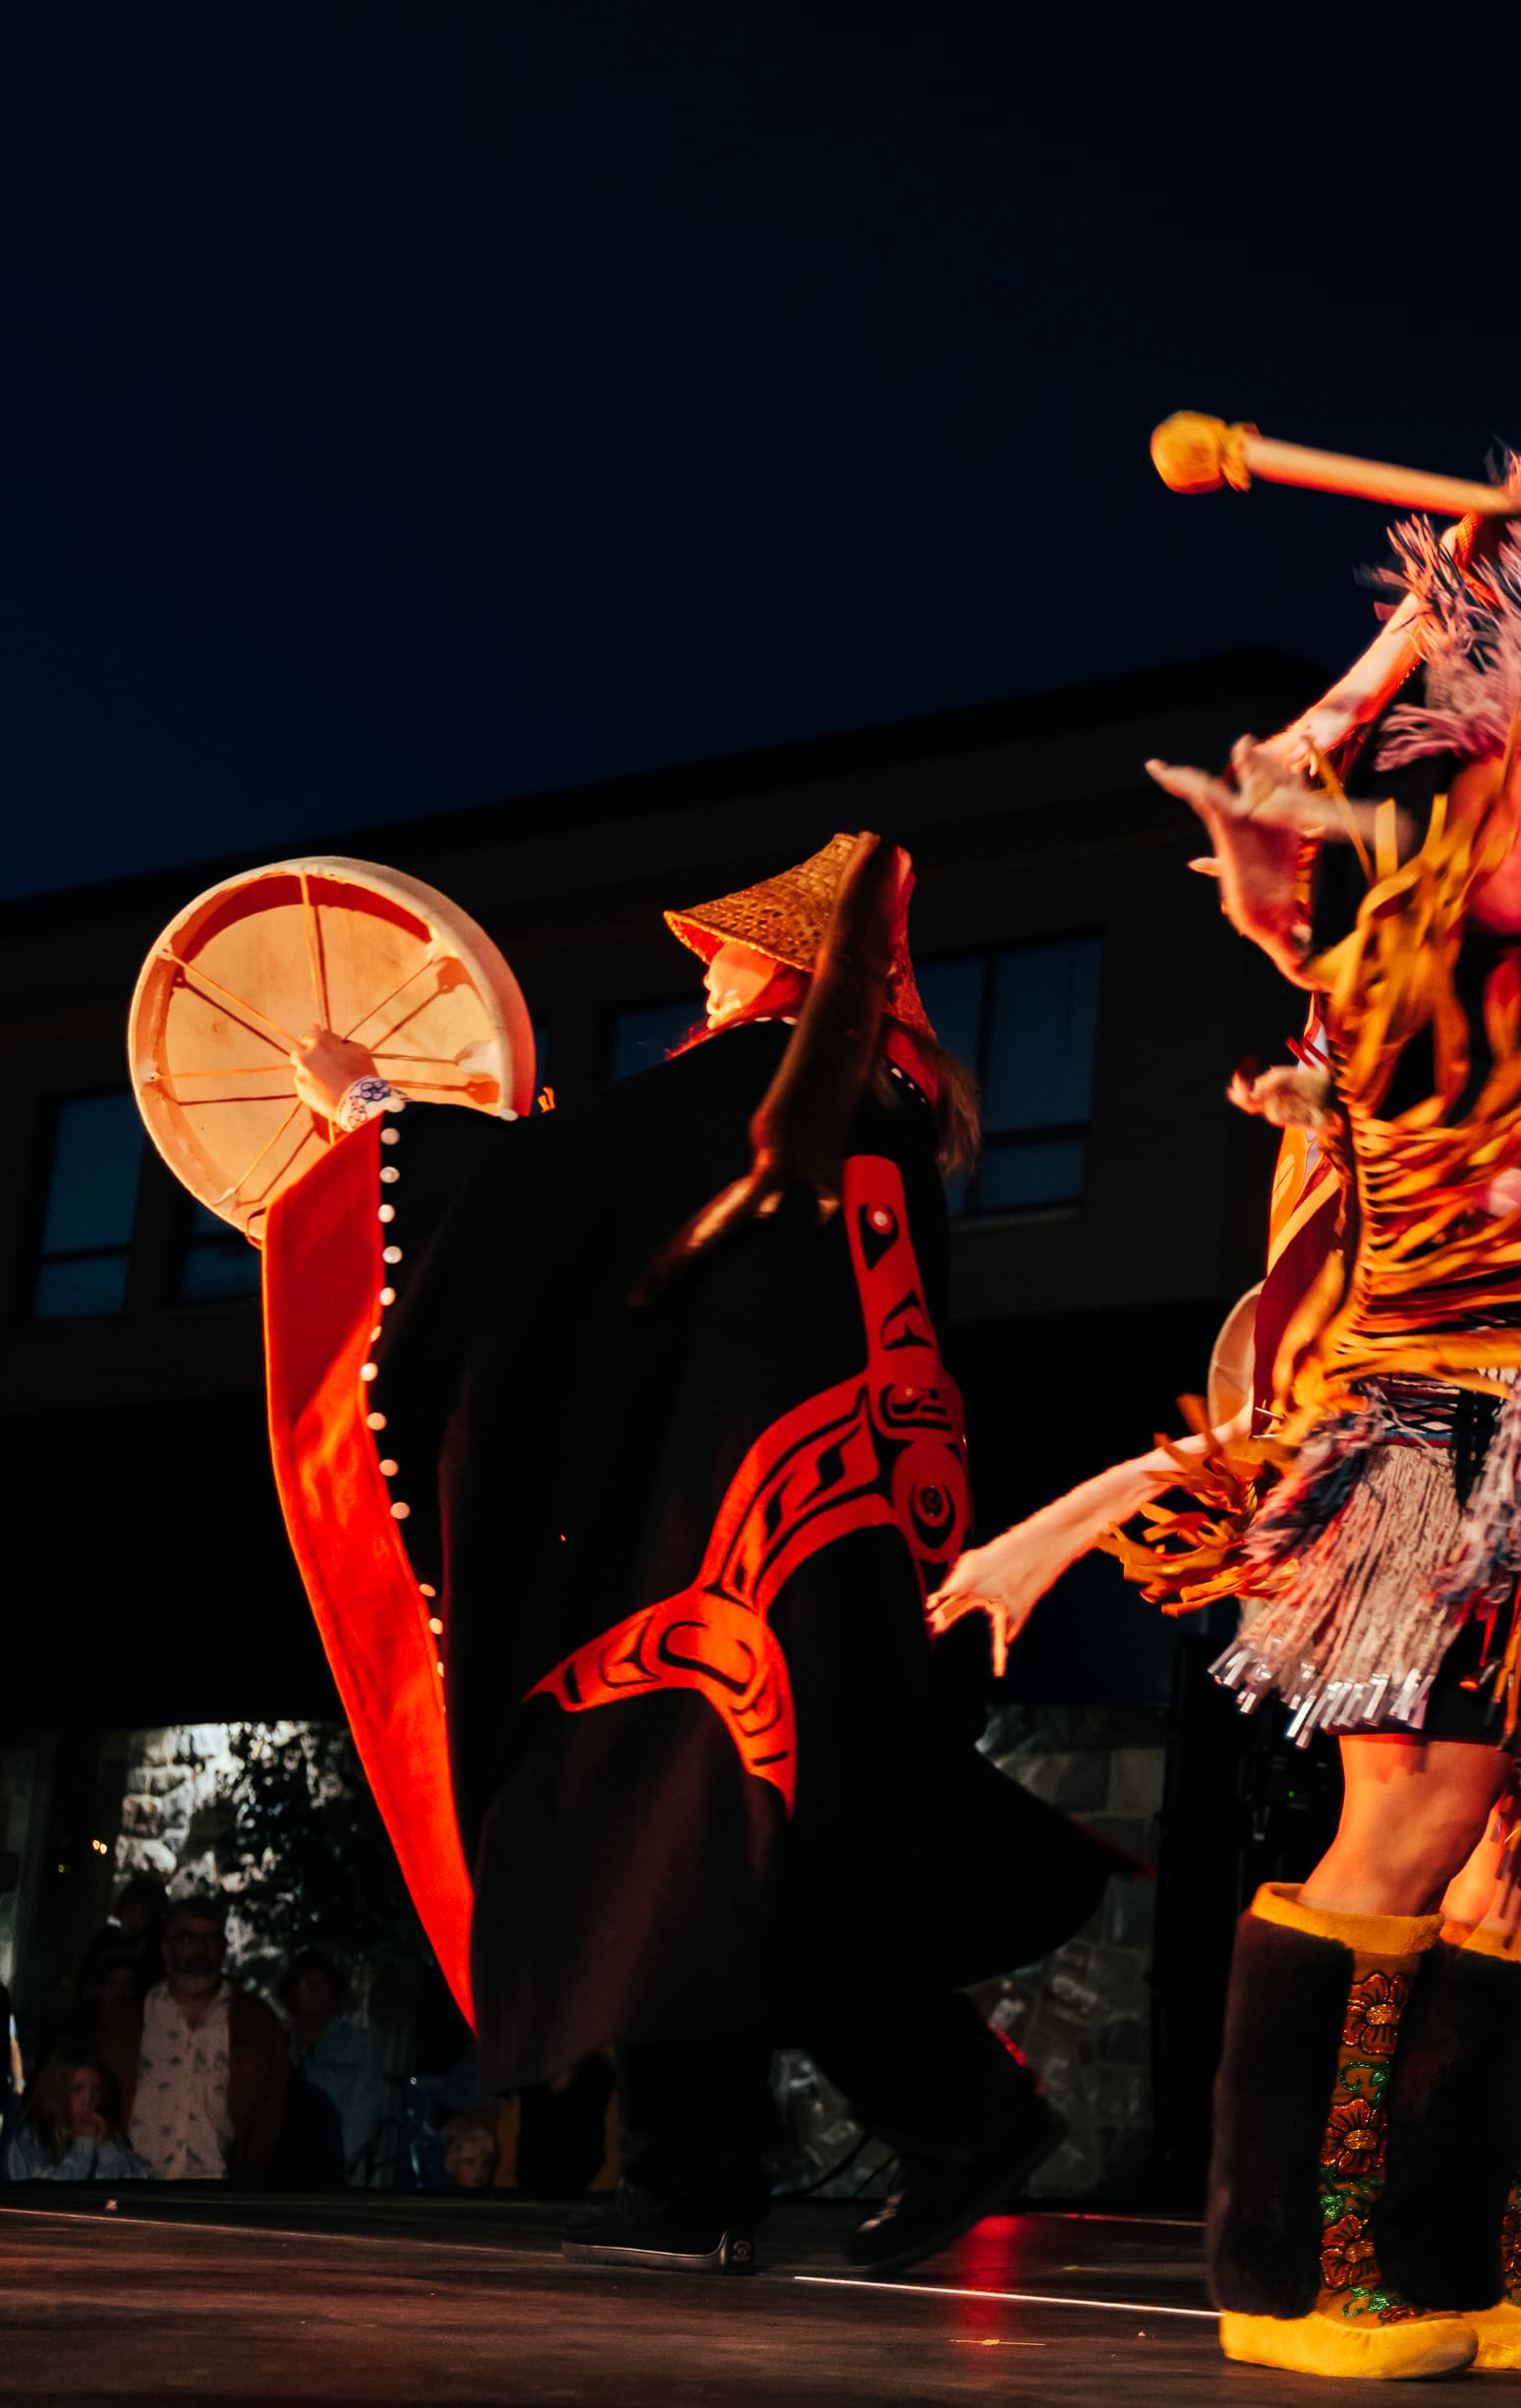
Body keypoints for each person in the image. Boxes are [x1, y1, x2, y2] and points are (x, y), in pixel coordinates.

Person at [946, 460, 1521, 2380]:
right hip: (1462, 1379)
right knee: (1417, 1800)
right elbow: (1354, 787)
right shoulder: (1464, 842)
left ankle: (1449, 2261)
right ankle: (1278, 2271)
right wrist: (1464, 604)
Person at [259, 832, 1121, 2276]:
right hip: (833, 1535)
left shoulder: (775, 1077)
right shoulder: (879, 1103)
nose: (705, 969)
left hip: (738, 1533)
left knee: (675, 1806)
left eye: (724, 950)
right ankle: (732, 2161)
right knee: (719, 1836)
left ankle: (892, 2125)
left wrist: (370, 1106)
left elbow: (564, 1199)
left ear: (779, 963)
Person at [97, 1898, 291, 2183]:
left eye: (211, 1938)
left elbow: (271, 2110)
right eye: (188, 1937)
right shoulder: (127, 2021)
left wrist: (249, 2181)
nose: (201, 1948)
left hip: (218, 2193)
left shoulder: (255, 2023)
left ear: (223, 1947)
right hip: (134, 2187)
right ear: (167, 1947)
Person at [281, 1954, 389, 2186]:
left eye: (323, 1983)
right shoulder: (276, 2043)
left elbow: (364, 2116)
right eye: (307, 1983)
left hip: (338, 2178)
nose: (315, 1991)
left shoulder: (360, 2045)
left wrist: (332, 2165)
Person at [6, 2058, 151, 2183]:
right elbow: (49, 2195)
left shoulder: (108, 2136)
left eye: (95, 2091)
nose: (88, 2100)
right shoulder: (31, 2138)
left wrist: (106, 2148)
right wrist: (82, 2145)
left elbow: (136, 2183)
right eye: (77, 2089)